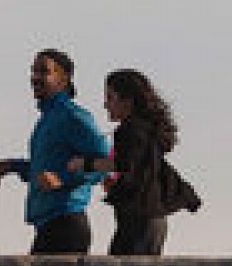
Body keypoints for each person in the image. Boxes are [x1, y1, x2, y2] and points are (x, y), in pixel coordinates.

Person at [0, 49, 110, 255]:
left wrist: (62, 178)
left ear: (64, 79)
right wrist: (11, 166)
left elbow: (105, 162)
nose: (35, 78)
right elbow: (44, 169)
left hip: (67, 224)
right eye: (33, 71)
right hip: (48, 226)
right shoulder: (48, 118)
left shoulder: (73, 116)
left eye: (44, 71)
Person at [67, 68, 200, 256]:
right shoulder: (145, 130)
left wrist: (84, 163)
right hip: (150, 220)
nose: (106, 104)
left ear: (127, 101)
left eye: (110, 97)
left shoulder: (131, 130)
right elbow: (138, 170)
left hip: (140, 222)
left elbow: (123, 163)